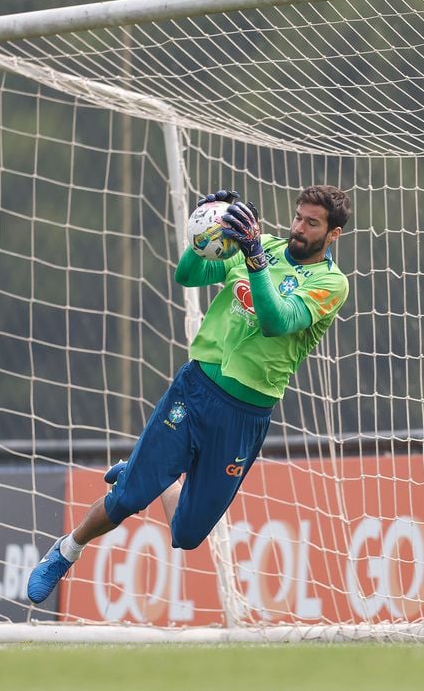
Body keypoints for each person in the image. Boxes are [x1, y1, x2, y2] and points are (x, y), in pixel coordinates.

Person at [27, 185, 351, 604]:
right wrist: (205, 232)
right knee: (127, 499)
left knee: (187, 534)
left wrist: (253, 259)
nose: (298, 228)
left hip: (245, 415)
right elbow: (187, 275)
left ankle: (149, 468)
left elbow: (275, 321)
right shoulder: (261, 245)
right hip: (196, 389)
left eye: (312, 223)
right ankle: (66, 550)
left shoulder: (331, 283)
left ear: (333, 235)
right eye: (297, 217)